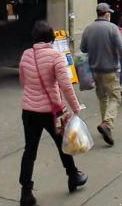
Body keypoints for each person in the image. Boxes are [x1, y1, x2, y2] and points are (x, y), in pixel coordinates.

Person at [18, 20, 87, 205]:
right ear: (51, 38)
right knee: (62, 144)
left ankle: (26, 191)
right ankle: (73, 176)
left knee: (29, 150)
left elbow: (23, 81)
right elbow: (66, 85)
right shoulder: (56, 56)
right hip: (51, 112)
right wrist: (76, 107)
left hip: (29, 110)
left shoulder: (26, 54)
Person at [80, 3, 122, 146]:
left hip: (95, 70)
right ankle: (108, 123)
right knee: (115, 97)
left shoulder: (88, 29)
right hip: (110, 70)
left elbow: (83, 48)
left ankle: (105, 124)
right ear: (107, 14)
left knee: (103, 98)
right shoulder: (113, 29)